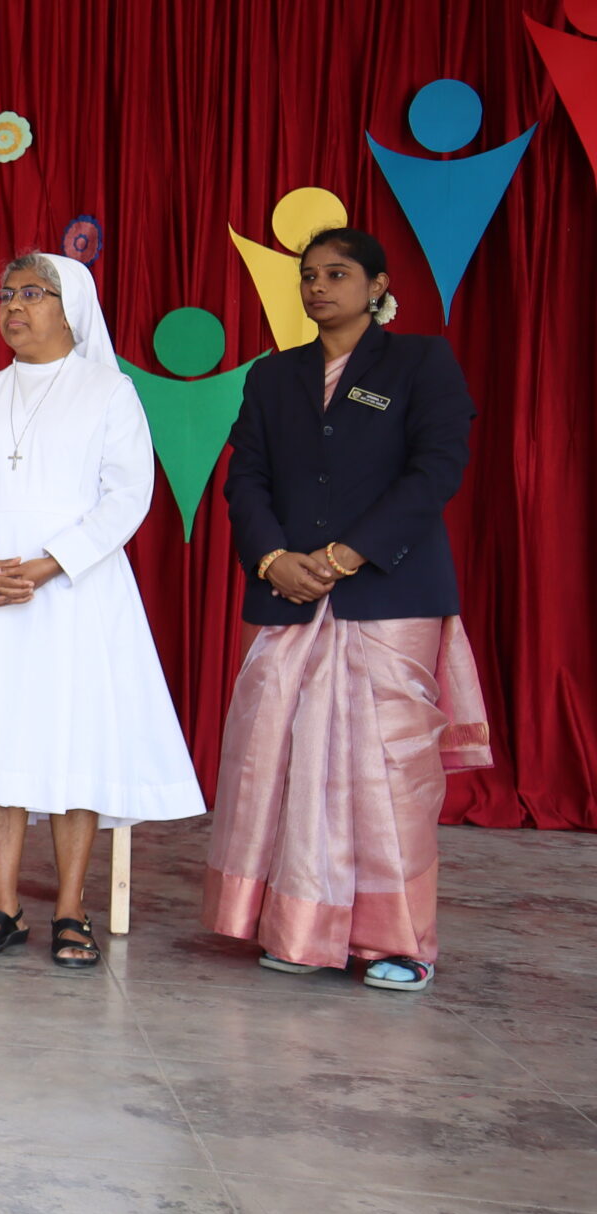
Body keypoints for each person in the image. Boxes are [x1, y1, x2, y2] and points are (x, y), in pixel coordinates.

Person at [203, 227, 486, 990]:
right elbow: (246, 478)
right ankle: (297, 928)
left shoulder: (421, 361)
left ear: (377, 285)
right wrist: (274, 559)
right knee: (284, 758)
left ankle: (398, 942)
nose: (318, 287)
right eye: (309, 275)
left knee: (385, 771)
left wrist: (347, 555)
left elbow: (437, 468)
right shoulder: (274, 374)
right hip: (288, 593)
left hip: (388, 591)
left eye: (337, 273)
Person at [0, 252, 205, 967]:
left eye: (32, 293)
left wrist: (51, 562)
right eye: (5, 293)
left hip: (77, 590)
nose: (13, 305)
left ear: (71, 306)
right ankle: (4, 902)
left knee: (77, 742)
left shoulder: (109, 391)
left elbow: (128, 495)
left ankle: (71, 908)